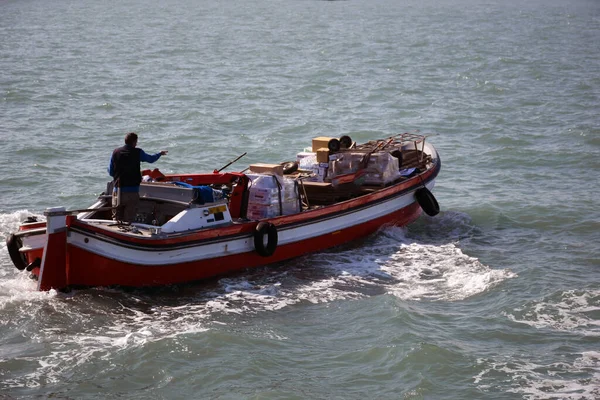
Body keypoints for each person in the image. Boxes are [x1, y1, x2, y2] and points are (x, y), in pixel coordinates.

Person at [108, 132, 168, 222]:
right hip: (132, 192)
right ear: (134, 142)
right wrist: (159, 154)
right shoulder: (138, 152)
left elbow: (111, 172)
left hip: (117, 191)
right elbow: (151, 159)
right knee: (128, 221)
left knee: (116, 219)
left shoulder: (115, 152)